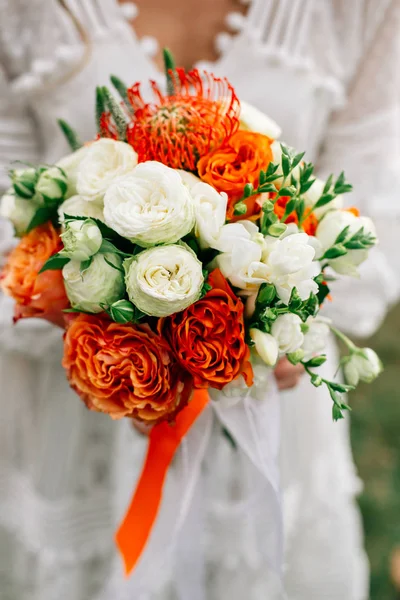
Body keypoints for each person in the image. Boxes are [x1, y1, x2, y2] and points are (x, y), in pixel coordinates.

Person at [0, 0, 398, 599]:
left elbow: (375, 227)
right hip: (76, 409)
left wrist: (287, 333)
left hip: (273, 409)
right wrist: (124, 354)